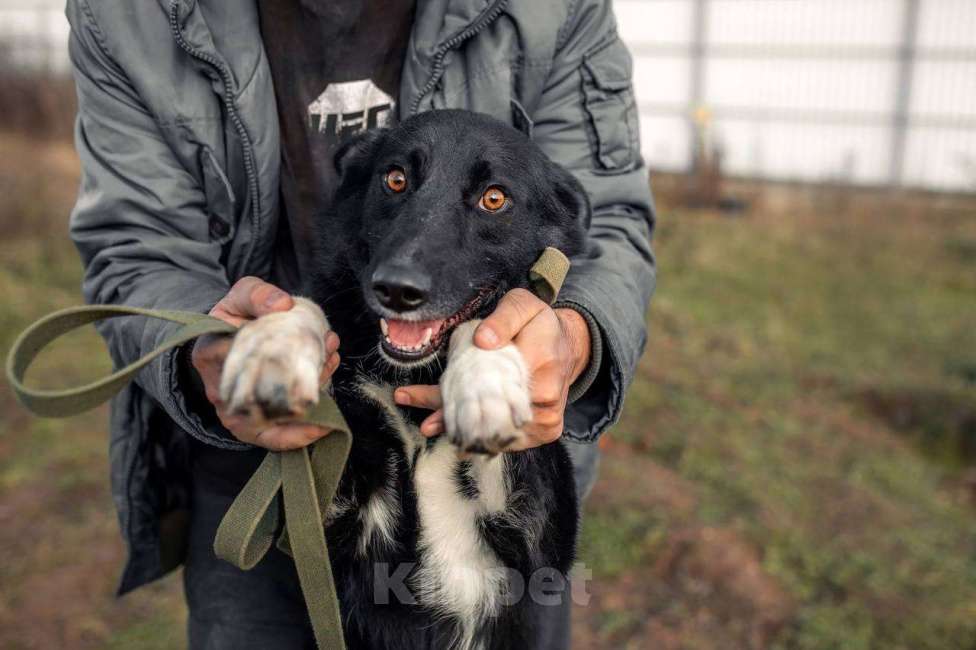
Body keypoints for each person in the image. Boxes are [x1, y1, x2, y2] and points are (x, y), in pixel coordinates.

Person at [66, 0, 656, 647]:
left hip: (505, 443)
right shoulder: (130, 12)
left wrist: (573, 338)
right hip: (262, 452)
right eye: (398, 180)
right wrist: (203, 348)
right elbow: (137, 242)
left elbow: (606, 226)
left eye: (489, 199)